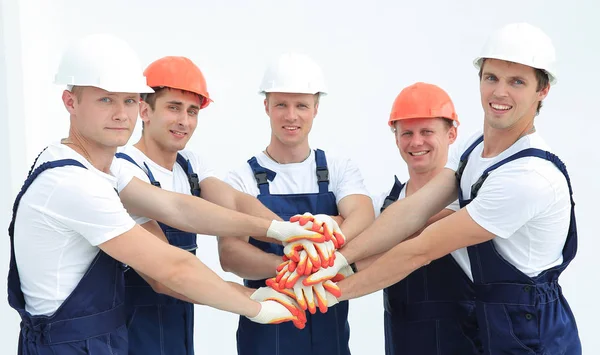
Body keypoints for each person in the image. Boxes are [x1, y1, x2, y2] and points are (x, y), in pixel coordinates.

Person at [7, 34, 318, 355]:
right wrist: (253, 304)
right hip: (71, 344)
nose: (120, 113)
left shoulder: (101, 171)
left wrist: (278, 229)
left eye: (128, 100)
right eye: (105, 99)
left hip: (102, 338)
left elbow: (176, 208)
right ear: (71, 102)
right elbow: (171, 269)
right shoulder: (75, 183)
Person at [299, 23, 582, 354]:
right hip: (492, 322)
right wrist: (338, 260)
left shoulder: (528, 176)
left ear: (542, 90)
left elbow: (421, 248)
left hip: (531, 330)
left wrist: (329, 292)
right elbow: (414, 210)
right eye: (491, 78)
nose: (500, 92)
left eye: (517, 82)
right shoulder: (474, 147)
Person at [115, 55, 291, 355]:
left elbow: (235, 202)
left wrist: (294, 233)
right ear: (144, 110)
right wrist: (253, 298)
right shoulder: (124, 172)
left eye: (192, 111)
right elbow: (166, 278)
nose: (184, 121)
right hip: (133, 333)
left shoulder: (190, 166)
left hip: (180, 324)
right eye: (173, 107)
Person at [218, 52, 375, 355]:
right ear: (266, 106)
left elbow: (363, 214)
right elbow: (230, 253)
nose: (291, 116)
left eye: (301, 105)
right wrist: (294, 273)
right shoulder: (240, 179)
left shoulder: (339, 168)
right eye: (281, 105)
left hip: (329, 322)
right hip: (266, 321)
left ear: (316, 108)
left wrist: (331, 229)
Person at [371, 82, 478, 354]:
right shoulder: (383, 203)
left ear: (452, 134)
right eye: (406, 132)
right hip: (402, 343)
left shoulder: (470, 201)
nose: (416, 142)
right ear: (395, 137)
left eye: (427, 131)